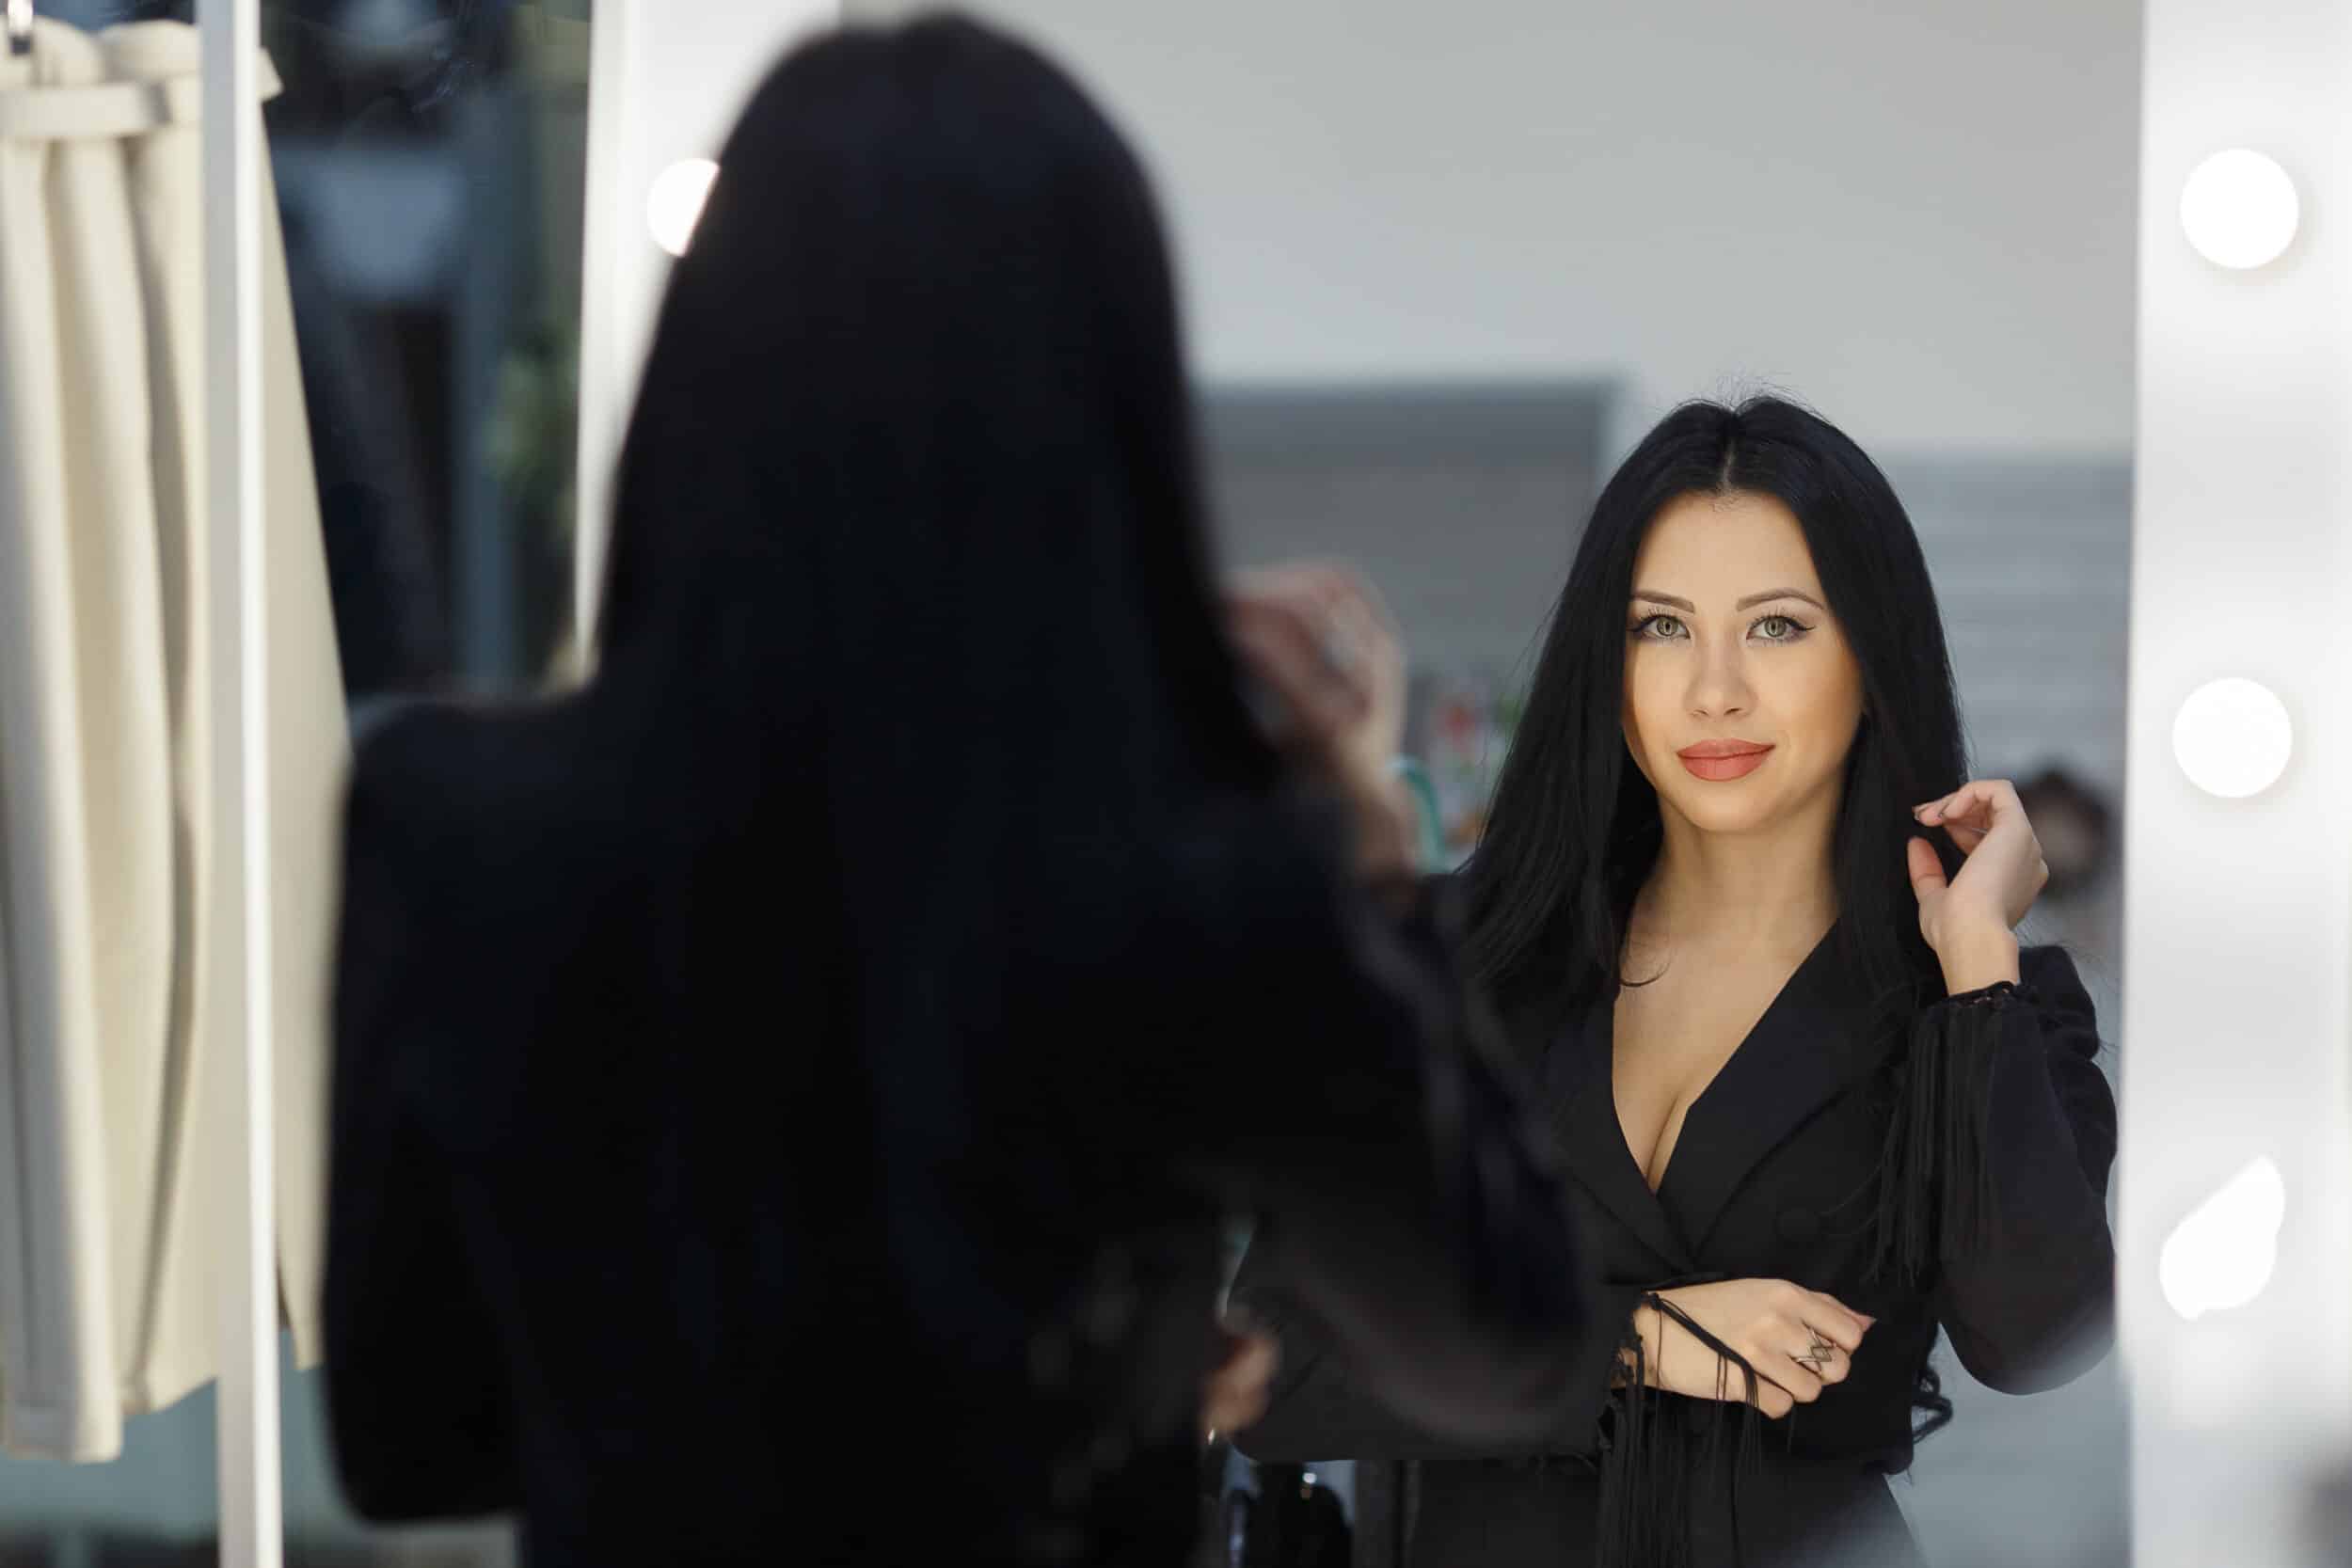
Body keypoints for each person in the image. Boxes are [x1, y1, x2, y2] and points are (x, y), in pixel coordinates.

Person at [321, 16, 1596, 1567]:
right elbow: (1506, 1346)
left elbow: (409, 1436)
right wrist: (1372, 859)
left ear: (701, 376)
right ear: (1109, 406)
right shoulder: (1198, 898)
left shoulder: (453, 831)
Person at [1230, 396, 2117, 1568]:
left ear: (1871, 654)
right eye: (1660, 626)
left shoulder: (1979, 995)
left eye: (1776, 626)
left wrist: (1975, 964)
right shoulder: (1454, 954)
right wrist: (1633, 1341)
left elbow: (2036, 1338)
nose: (1712, 689)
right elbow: (1270, 1369)